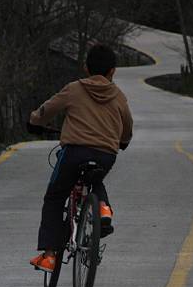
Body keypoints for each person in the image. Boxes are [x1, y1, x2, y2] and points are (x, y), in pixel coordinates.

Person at [28, 44, 133, 272]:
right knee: (95, 180)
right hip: (106, 154)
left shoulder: (74, 89)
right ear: (113, 71)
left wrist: (34, 121)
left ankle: (48, 255)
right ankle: (103, 208)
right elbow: (127, 126)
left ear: (86, 67)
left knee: (55, 198)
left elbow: (48, 109)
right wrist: (122, 141)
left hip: (75, 152)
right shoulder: (119, 96)